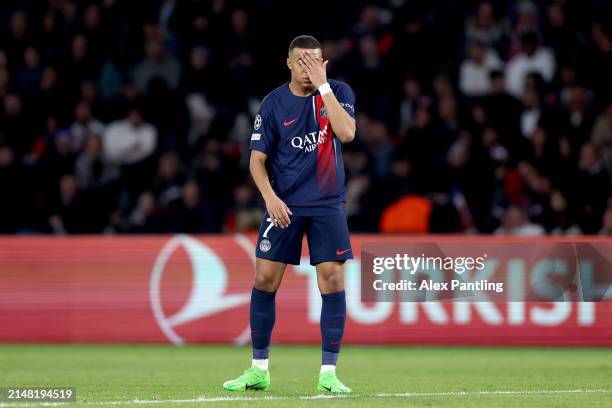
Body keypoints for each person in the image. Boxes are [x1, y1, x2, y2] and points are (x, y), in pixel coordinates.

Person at [223, 35, 356, 393]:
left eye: (314, 60)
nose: (307, 67)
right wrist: (269, 198)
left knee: (332, 278)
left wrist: (325, 85)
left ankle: (328, 373)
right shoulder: (273, 104)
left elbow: (347, 133)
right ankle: (258, 369)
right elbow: (256, 160)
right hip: (284, 205)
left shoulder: (338, 92)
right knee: (265, 279)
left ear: (323, 62)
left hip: (327, 204)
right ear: (288, 63)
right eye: (301, 61)